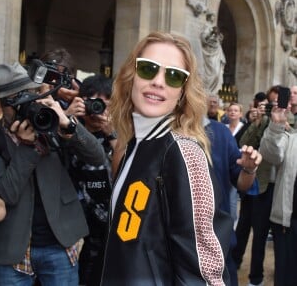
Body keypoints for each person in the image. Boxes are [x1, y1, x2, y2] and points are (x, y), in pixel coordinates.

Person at [100, 31, 259, 285]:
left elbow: (204, 272)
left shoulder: (186, 153)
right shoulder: (134, 143)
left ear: (183, 92)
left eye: (174, 76)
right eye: (148, 68)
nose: (159, 82)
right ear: (132, 76)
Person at [0, 62, 106, 286]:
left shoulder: (51, 120)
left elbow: (97, 157)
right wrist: (29, 148)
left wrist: (67, 124)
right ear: (0, 106)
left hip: (60, 243)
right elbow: (6, 193)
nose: (24, 105)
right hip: (12, 249)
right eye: (14, 101)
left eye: (28, 95)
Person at [67, 74, 116, 286]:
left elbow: (131, 170)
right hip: (71, 226)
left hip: (107, 227)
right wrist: (67, 120)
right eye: (93, 101)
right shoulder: (68, 130)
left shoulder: (123, 136)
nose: (98, 108)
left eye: (105, 102)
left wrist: (112, 134)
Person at [204, 118, 262, 286]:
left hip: (217, 243)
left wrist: (249, 169)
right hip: (166, 250)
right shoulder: (152, 132)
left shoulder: (220, 132)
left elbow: (242, 182)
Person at [232, 87, 279, 286]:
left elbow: (271, 151)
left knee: (259, 234)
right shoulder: (259, 122)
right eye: (269, 104)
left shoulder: (283, 122)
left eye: (275, 103)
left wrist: (272, 122)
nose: (271, 107)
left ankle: (256, 278)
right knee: (242, 227)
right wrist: (257, 121)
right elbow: (243, 143)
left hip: (266, 186)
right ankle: (234, 264)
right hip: (251, 182)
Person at [259, 102, 297, 286]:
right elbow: (271, 155)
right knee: (286, 276)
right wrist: (275, 127)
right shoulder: (289, 136)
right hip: (288, 221)